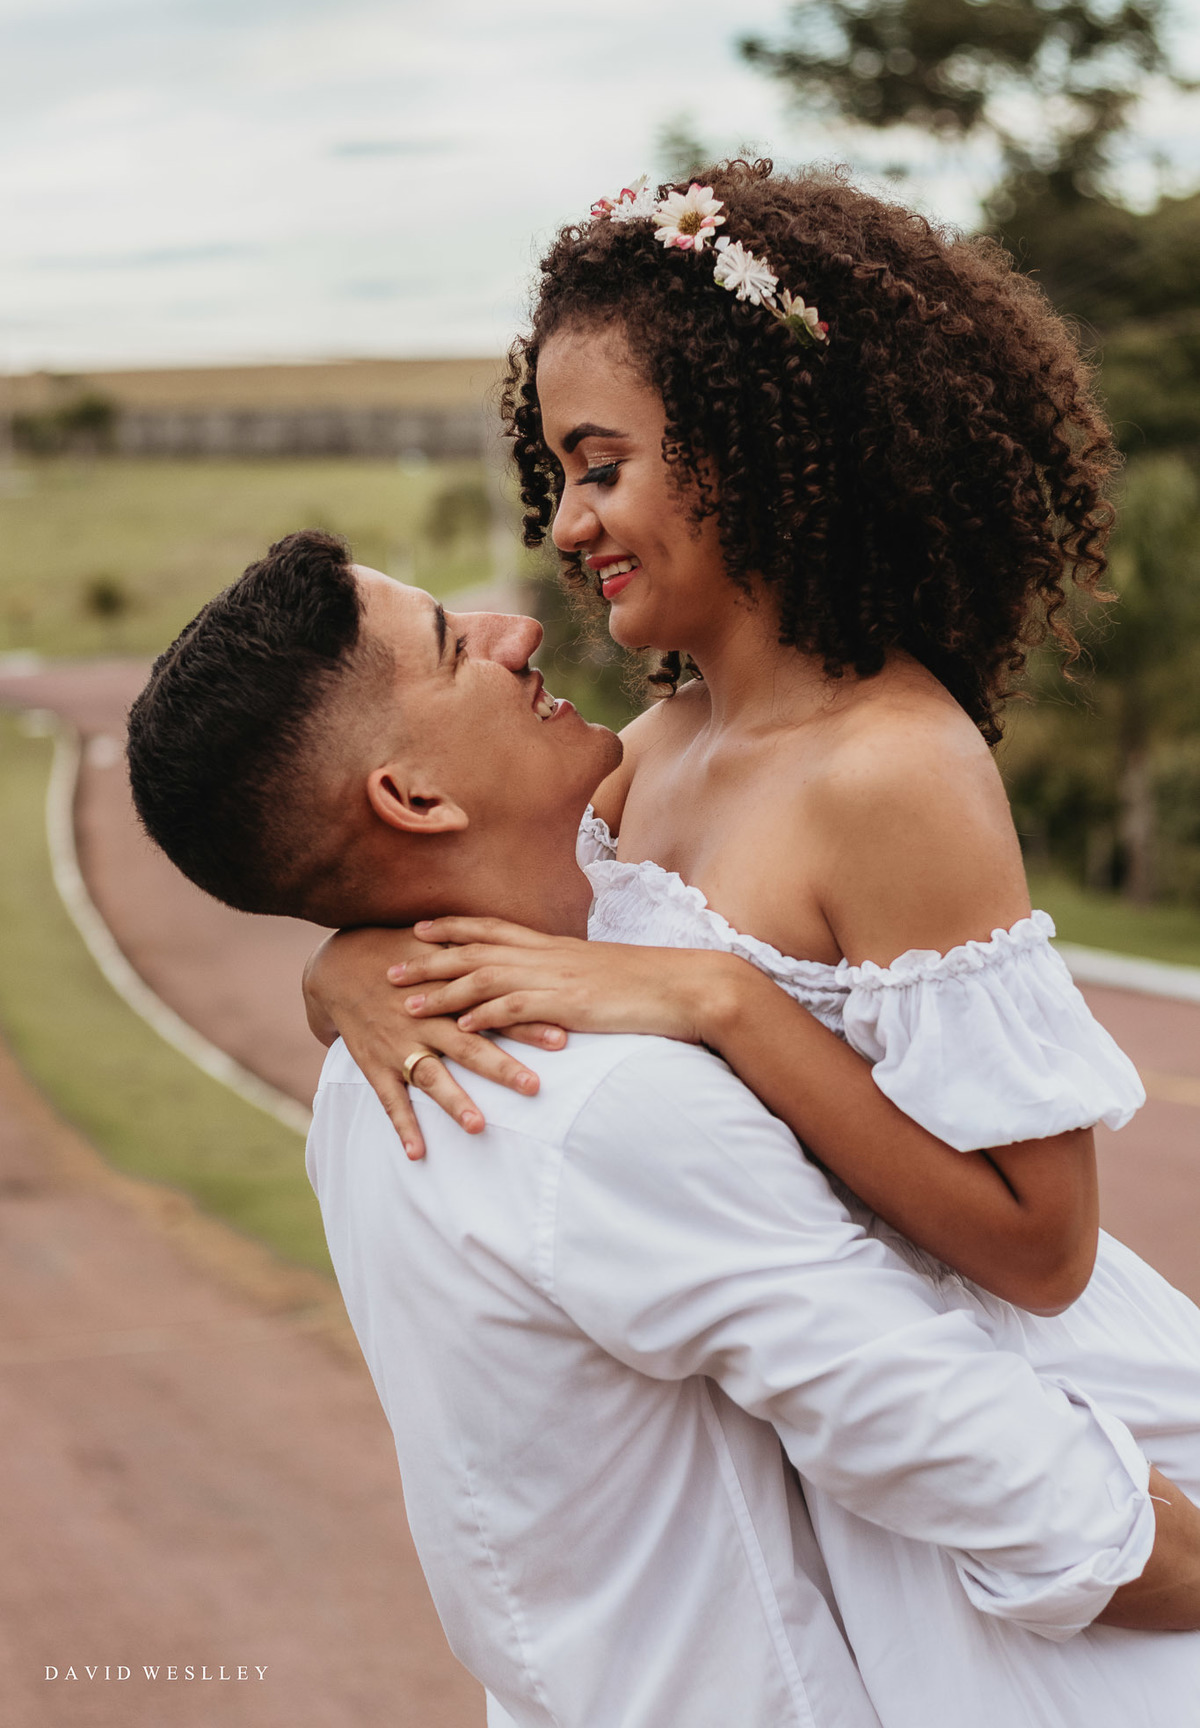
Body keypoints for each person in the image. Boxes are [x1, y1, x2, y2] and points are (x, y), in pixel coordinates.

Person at [126, 532, 1200, 1728]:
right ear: (412, 797)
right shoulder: (596, 1102)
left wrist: (345, 964)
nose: (516, 626)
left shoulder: (364, 1081)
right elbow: (959, 1448)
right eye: (451, 644)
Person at [304, 163, 1200, 1515]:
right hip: (829, 1436)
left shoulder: (894, 769)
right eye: (557, 475)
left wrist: (726, 1004)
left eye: (601, 466)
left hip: (1026, 1424)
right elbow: (495, 931)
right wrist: (344, 972)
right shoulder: (648, 753)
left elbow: (1043, 1247)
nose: (568, 526)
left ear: (752, 440)